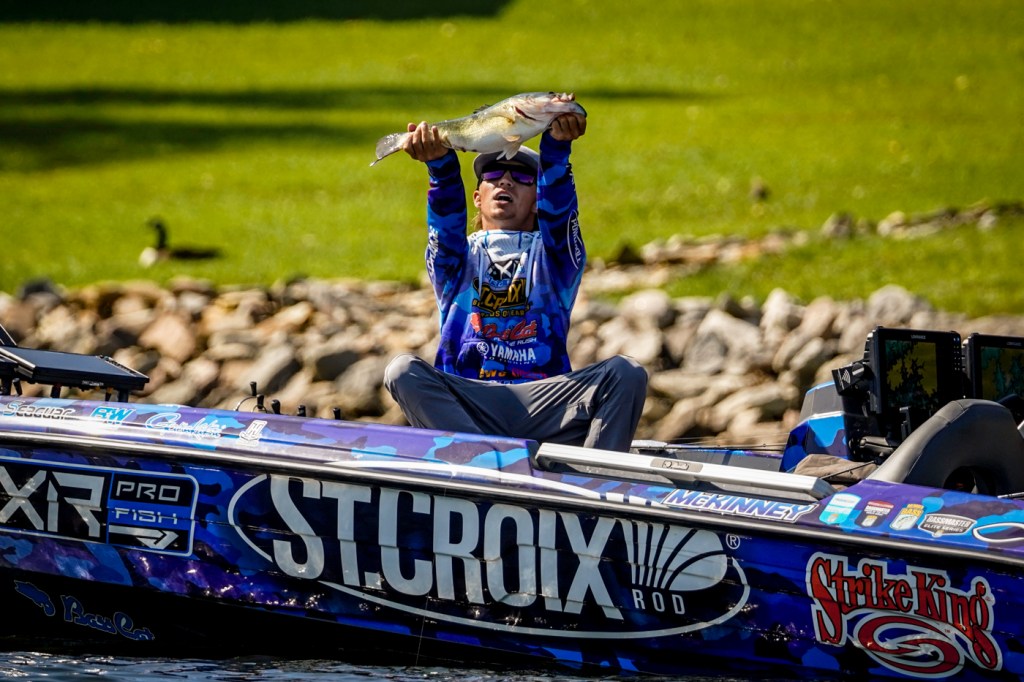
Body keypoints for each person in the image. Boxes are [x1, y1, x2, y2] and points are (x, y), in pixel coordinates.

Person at [383, 112, 647, 452]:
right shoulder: (456, 260)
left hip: (543, 405)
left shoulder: (555, 259)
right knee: (402, 371)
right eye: (494, 174)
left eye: (522, 177)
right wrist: (441, 168)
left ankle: (593, 476)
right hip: (469, 402)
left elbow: (560, 215)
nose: (505, 181)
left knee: (627, 373)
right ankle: (482, 459)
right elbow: (445, 225)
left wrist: (556, 150)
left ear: (537, 201)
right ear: (477, 197)